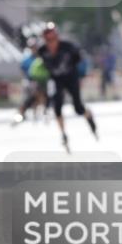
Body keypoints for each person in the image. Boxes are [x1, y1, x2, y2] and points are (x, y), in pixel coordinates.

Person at [37, 22, 98, 152]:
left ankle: (89, 117)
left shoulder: (67, 47)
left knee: (78, 108)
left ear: (57, 37)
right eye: (48, 40)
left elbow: (79, 59)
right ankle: (63, 134)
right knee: (57, 105)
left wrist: (81, 75)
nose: (51, 43)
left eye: (53, 39)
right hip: (56, 79)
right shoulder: (42, 51)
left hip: (71, 77)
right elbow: (42, 65)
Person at [11, 37, 47, 125]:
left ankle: (40, 114)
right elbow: (23, 70)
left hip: (40, 82)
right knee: (27, 99)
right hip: (29, 81)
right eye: (32, 47)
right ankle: (20, 115)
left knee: (40, 97)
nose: (33, 48)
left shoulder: (41, 57)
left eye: (35, 46)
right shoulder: (27, 59)